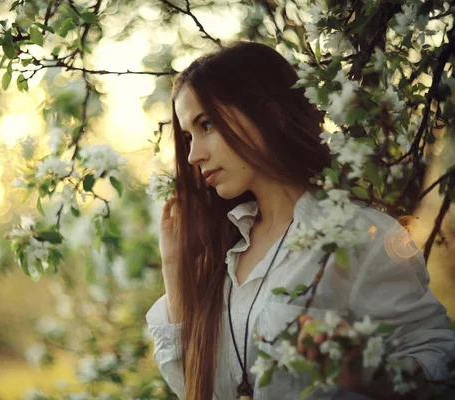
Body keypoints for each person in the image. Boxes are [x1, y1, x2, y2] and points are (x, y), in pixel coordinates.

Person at [145, 41, 455, 400]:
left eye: (207, 124)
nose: (194, 154)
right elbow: (195, 389)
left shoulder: (356, 235)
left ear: (269, 113)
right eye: (187, 137)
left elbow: (440, 362)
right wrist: (174, 265)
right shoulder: (226, 254)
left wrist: (371, 374)